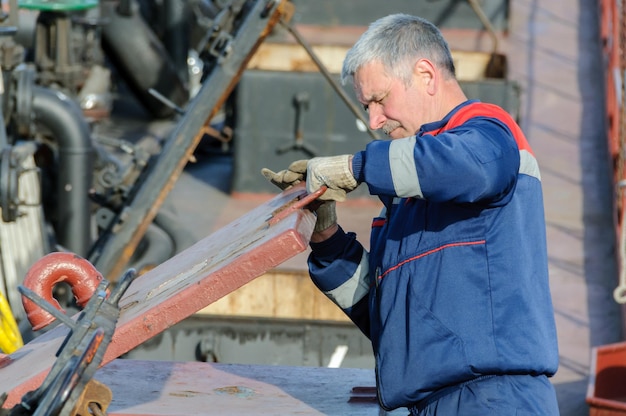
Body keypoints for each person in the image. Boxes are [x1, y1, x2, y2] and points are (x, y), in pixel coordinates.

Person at [262, 13, 560, 415]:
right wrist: (326, 235)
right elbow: (388, 317)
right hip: (431, 402)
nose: (375, 122)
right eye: (367, 107)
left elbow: (474, 167)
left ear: (425, 74)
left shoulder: (490, 134)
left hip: (493, 398)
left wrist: (358, 167)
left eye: (380, 100)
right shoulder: (409, 198)